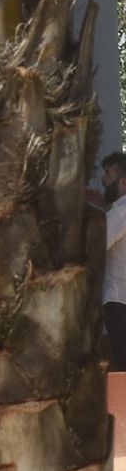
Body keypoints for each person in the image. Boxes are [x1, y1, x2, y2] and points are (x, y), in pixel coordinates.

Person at [104, 153, 126, 372]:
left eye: (108, 173)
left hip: (119, 304)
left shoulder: (120, 213)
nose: (103, 180)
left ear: (123, 181)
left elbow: (96, 246)